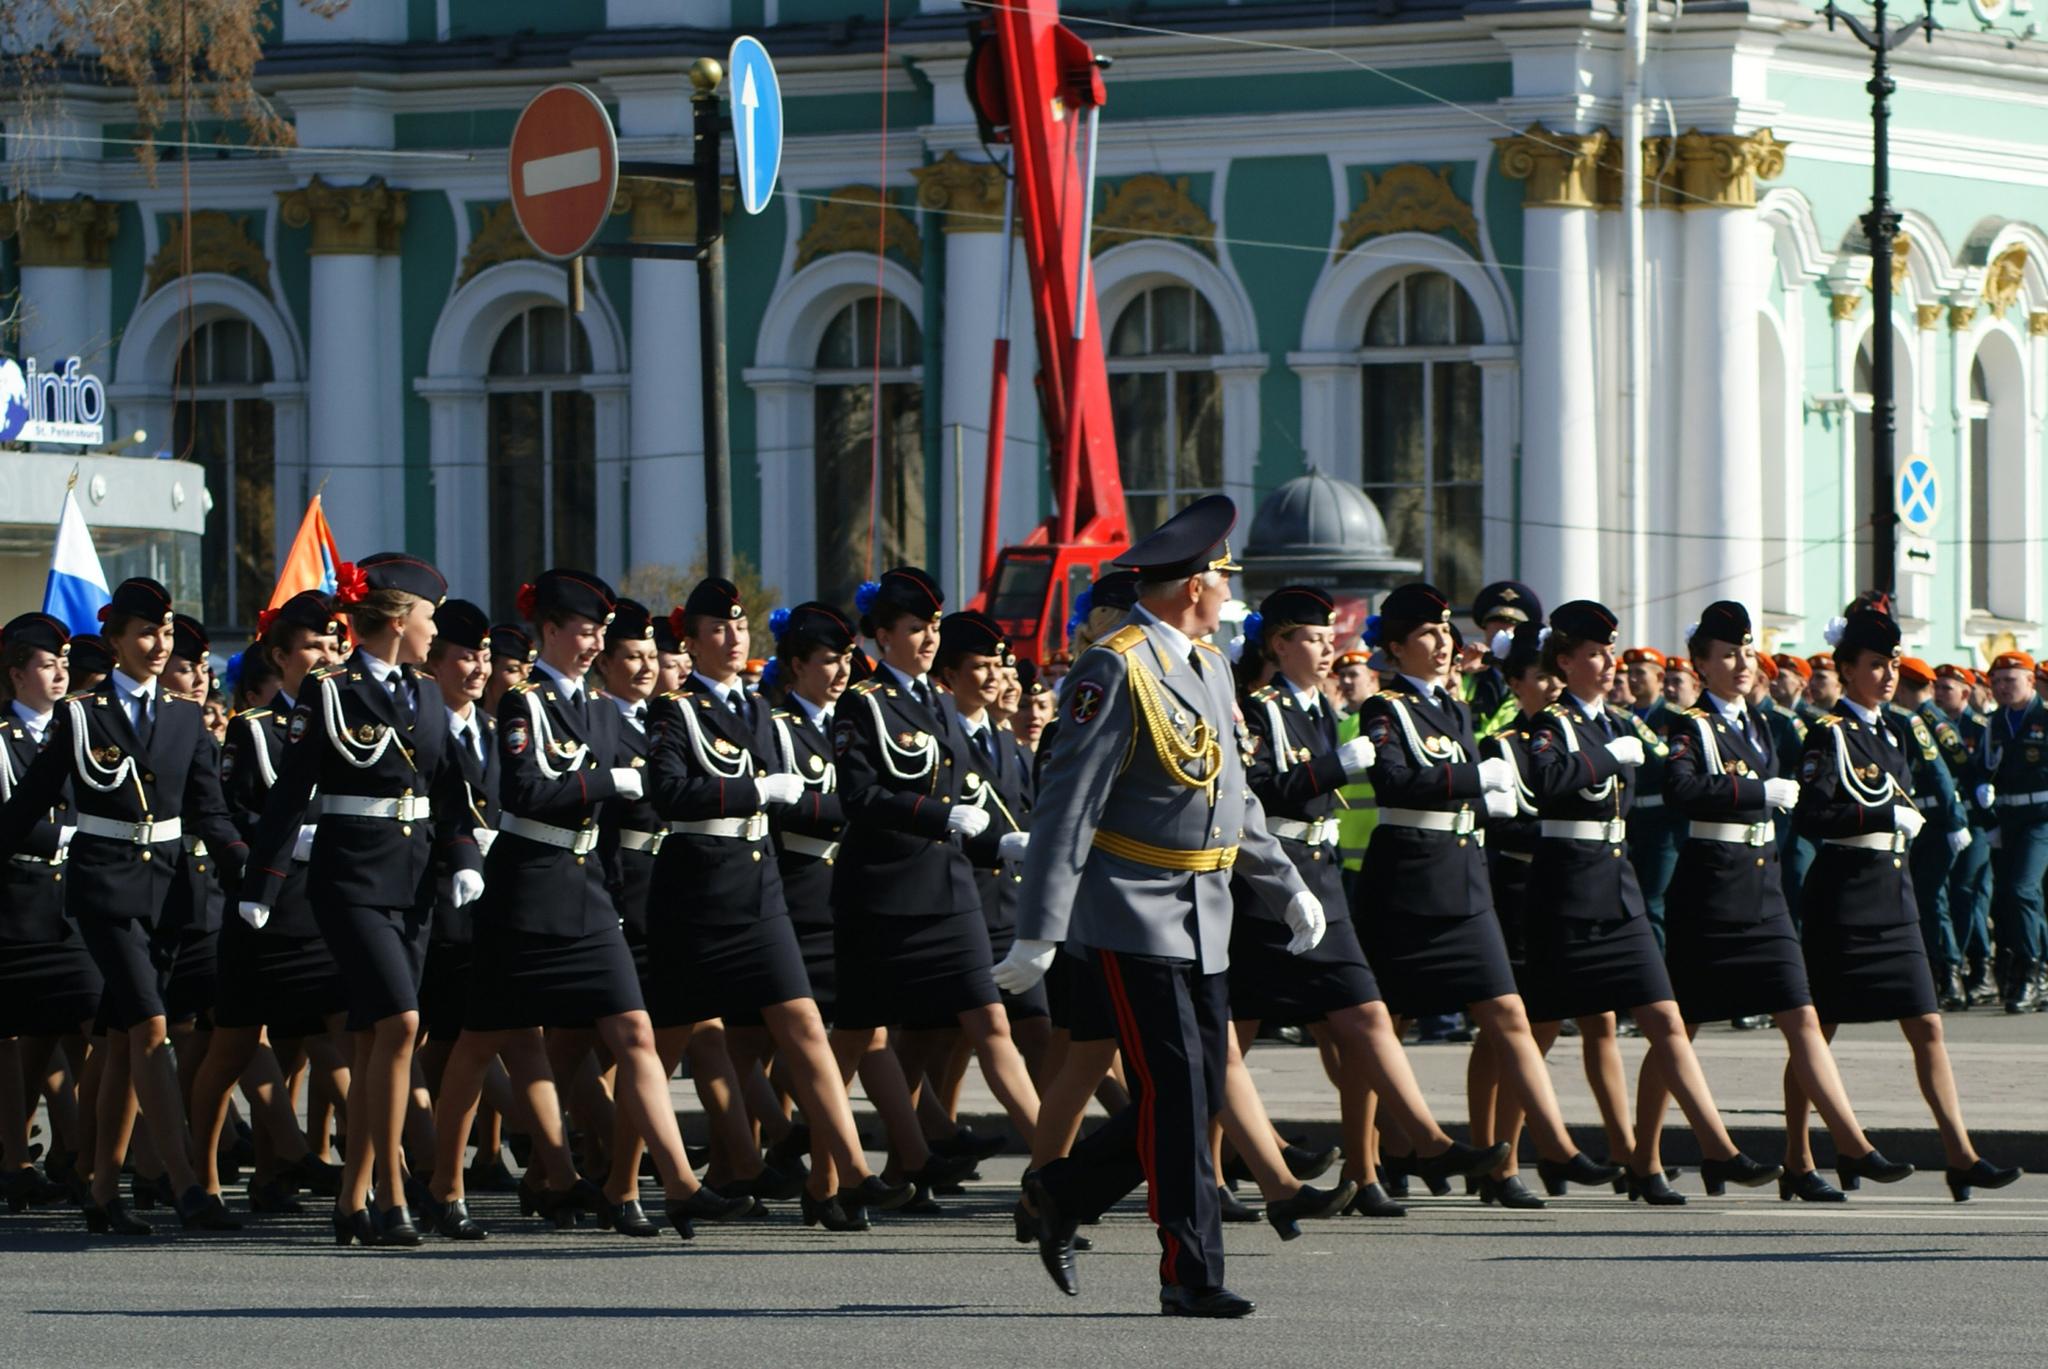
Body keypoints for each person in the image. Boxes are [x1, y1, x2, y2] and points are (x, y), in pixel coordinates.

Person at [994, 496, 1332, 1318]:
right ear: (1190, 587)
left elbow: (1233, 800)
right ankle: (1189, 1271)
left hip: (1205, 908)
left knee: (1193, 1090)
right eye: (1220, 575)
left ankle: (1060, 1191)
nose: (1227, 588)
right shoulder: (1116, 665)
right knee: (1179, 1090)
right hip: (1129, 911)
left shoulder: (1211, 665)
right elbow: (1067, 807)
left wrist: (1284, 882)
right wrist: (1041, 928)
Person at [426, 570, 752, 1242]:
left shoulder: (603, 709)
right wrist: (607, 779)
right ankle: (443, 1183)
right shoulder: (525, 702)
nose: (593, 641)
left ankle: (680, 1185)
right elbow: (524, 791)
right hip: (525, 888)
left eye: (601, 632)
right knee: (480, 1040)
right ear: (550, 630)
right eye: (583, 629)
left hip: (589, 891)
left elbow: (611, 815)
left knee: (636, 1031)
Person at [644, 578, 907, 1229]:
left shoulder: (758, 711)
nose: (734, 638)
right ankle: (626, 1181)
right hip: (698, 893)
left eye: (740, 627)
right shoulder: (673, 712)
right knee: (657, 1046)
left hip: (759, 890)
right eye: (718, 629)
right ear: (693, 641)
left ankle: (852, 1171)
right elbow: (670, 795)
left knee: (806, 1027)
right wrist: (755, 789)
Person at [241, 554, 481, 1247]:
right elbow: (292, 789)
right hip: (349, 880)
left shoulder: (429, 693)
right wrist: (264, 881)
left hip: (410, 882)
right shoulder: (330, 691)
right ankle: (392, 1192)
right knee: (401, 1024)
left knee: (380, 1032)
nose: (437, 632)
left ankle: (351, 1198)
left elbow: (450, 787)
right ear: (401, 619)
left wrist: (462, 856)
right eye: (431, 618)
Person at [0, 577, 248, 1235]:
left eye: (166, 632)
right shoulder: (81, 715)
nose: (159, 644)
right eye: (145, 632)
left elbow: (210, 811)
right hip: (104, 888)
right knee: (151, 1028)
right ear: (114, 641)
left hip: (170, 890)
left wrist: (246, 864)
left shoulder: (186, 716)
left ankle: (101, 1187)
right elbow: (26, 805)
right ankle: (186, 1183)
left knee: (116, 1038)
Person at [1352, 582, 1612, 1204]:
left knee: (1509, 1016)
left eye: (1445, 634)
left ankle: (1550, 1148)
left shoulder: (1455, 708)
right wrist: (1473, 778)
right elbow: (1393, 780)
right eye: (1426, 636)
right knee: (1385, 1026)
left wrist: (1481, 794)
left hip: (1463, 880)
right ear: (1395, 649)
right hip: (1407, 884)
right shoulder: (1384, 709)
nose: (1443, 645)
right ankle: (1366, 1166)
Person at [1520, 599, 1780, 1204]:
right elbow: (1547, 784)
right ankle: (1504, 1160)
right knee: (1535, 1034)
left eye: (1610, 651)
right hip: (1566, 892)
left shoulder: (1617, 722)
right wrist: (1607, 759)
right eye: (1594, 653)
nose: (1609, 662)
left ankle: (1706, 1148)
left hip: (1618, 887)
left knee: (1664, 1018)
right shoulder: (1550, 723)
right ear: (1564, 662)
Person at [1645, 600, 1905, 1203]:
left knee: (1801, 1014)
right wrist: (1755, 789)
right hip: (1710, 889)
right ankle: (1645, 1157)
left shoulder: (1759, 723)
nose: (1742, 662)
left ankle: (1845, 1144)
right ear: (1701, 665)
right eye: (1727, 654)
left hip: (1762, 888)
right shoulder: (1692, 725)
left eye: (1746, 651)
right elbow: (1681, 789)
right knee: (1678, 1030)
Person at [1233, 585, 1472, 1219]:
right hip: (1266, 886)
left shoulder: (1319, 709)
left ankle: (1425, 1144)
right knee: (1232, 1040)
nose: (1325, 648)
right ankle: (1207, 1174)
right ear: (1279, 646)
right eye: (1310, 639)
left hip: (1323, 882)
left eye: (1328, 637)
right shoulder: (1261, 711)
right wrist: (1333, 768)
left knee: (1365, 1014)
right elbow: (1256, 793)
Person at [1788, 606, 2021, 1201]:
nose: (1888, 674)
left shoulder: (1893, 729)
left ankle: (1960, 1155)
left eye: (1892, 663)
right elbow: (1811, 814)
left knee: (1928, 1026)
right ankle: (1798, 1155)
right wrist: (1877, 813)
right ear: (1846, 670)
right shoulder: (1827, 733)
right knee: (1819, 1031)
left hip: (1892, 892)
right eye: (1875, 665)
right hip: (1843, 895)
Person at [830, 568, 1041, 1186]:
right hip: (884, 896)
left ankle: (1055, 1172)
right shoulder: (863, 703)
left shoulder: (939, 704)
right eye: (916, 629)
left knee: (990, 1024)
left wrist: (998, 846)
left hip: (949, 894)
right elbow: (860, 797)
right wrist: (940, 815)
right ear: (881, 637)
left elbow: (963, 803)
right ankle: (824, 1174)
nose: (928, 639)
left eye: (934, 628)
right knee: (852, 1040)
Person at [191, 592, 352, 1215]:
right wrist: (277, 848)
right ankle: (203, 1176)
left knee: (345, 1042)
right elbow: (227, 815)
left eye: (334, 645)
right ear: (279, 656)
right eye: (311, 647)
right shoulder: (253, 729)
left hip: (328, 908)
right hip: (268, 909)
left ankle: (369, 1178)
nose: (326, 656)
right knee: (233, 1048)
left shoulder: (351, 714)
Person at [1468, 620, 1628, 1209]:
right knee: (1516, 1028)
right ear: (1516, 684)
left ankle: (1617, 1154)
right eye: (1541, 677)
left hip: (1574, 882)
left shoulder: (1586, 732)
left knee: (1587, 1021)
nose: (1552, 687)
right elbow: (1502, 821)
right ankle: (1497, 1157)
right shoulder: (1506, 743)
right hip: (1517, 886)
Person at [0, 614, 98, 1212]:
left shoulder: (81, 727)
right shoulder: (2, 738)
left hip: (73, 906)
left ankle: (81, 1153)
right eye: (45, 663)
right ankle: (14, 1157)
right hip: (15, 905)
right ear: (15, 674)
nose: (60, 671)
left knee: (88, 1024)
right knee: (12, 1038)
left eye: (64, 661)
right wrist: (77, 833)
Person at [411, 599, 509, 1191]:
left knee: (455, 1042)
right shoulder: (417, 729)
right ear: (435, 664)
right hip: (433, 897)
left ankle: (437, 1160)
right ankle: (428, 1160)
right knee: (437, 1036)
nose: (479, 668)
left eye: (485, 656)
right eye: (466, 656)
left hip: (488, 902)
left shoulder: (494, 731)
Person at [1960, 649, 2048, 1013]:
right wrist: (1988, 820)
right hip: (2008, 818)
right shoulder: (1993, 723)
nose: (2000, 687)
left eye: (2009, 680)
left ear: (2030, 680)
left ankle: (2028, 970)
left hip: (2041, 817)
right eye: (1995, 681)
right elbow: (1979, 772)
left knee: (2022, 888)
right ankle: (2039, 969)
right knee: (2014, 899)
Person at [1891, 657, 1972, 1008]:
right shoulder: (1900, 718)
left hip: (1938, 822)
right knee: (1921, 898)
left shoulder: (1921, 720)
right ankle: (1934, 973)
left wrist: (1957, 820)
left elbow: (1946, 770)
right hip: (1917, 820)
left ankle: (1951, 974)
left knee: (1932, 897)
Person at [1934, 663, 1995, 1004]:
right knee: (1951, 891)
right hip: (1946, 820)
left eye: (1947, 688)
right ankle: (1957, 966)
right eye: (1938, 687)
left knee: (1969, 890)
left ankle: (1981, 968)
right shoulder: (1929, 726)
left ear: (1966, 694)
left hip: (1976, 821)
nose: (1940, 693)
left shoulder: (1980, 727)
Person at [1621, 647, 1681, 951]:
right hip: (1632, 820)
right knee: (1630, 900)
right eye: (1629, 673)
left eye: (1640, 673)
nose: (1632, 679)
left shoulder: (1674, 718)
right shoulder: (1622, 717)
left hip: (1664, 820)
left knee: (1654, 900)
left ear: (1659, 678)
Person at [1463, 580, 1542, 735]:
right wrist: (1460, 670)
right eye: (1497, 623)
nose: (1504, 631)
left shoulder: (1536, 677)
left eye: (1513, 624)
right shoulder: (1468, 677)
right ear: (1485, 630)